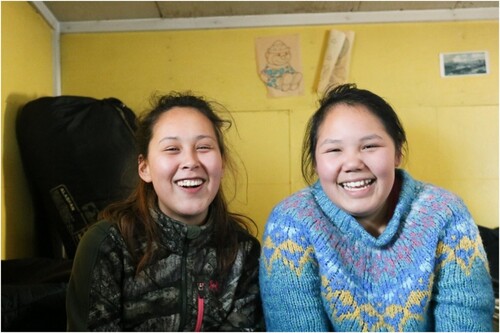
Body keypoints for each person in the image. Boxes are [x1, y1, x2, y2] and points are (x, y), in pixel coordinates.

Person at [259, 83, 494, 331]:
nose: (352, 163)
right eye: (334, 149)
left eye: (369, 146)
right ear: (316, 164)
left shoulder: (445, 213)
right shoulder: (291, 223)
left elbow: (467, 322)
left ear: (397, 153)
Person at [67, 92, 263, 331]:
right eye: (172, 148)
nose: (190, 161)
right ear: (145, 168)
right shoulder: (107, 246)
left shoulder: (242, 251)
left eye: (203, 147)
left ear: (221, 163)